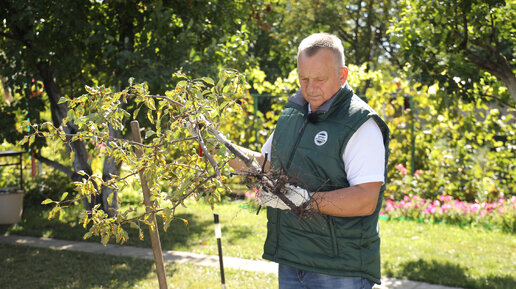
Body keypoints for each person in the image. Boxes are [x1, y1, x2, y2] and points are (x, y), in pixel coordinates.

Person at [195, 33, 389, 289]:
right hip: (292, 259)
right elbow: (265, 165)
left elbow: (365, 200)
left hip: (339, 269)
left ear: (343, 75)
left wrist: (306, 201)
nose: (309, 88)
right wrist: (216, 144)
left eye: (319, 79)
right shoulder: (293, 115)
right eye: (304, 78)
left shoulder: (360, 125)